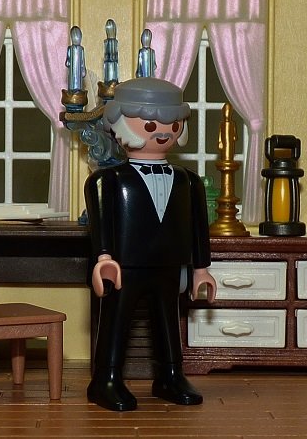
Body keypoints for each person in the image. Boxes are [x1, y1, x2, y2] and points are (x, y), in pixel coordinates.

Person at [84, 77, 217, 411]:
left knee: (168, 321)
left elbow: (199, 227)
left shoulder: (189, 181)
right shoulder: (107, 180)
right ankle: (106, 379)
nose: (162, 133)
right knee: (116, 319)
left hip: (170, 264)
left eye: (172, 125)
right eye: (150, 125)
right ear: (119, 124)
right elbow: (101, 222)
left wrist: (201, 268)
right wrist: (103, 258)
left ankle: (170, 375)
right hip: (125, 264)